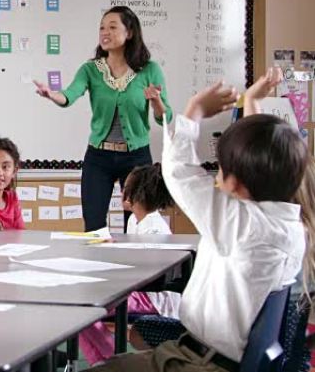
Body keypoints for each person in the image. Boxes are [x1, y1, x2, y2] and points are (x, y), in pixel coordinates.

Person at [89, 79, 310, 371]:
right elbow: (265, 154)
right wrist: (253, 105)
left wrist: (192, 112)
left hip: (197, 362)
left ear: (235, 183)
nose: (215, 178)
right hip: (217, 358)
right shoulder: (285, 225)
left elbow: (180, 172)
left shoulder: (240, 225)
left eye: (219, 169)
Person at [33, 5, 172, 232]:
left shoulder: (150, 70)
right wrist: (52, 95)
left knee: (138, 223)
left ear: (130, 32)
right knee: (94, 224)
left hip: (136, 157)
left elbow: (164, 118)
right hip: (99, 157)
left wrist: (156, 101)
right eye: (101, 28)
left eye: (112, 27)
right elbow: (69, 95)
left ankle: (137, 268)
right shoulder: (90, 69)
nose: (104, 32)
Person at [79, 163, 179, 364]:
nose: (122, 190)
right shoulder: (135, 219)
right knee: (82, 308)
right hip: (140, 292)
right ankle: (105, 360)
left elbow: (145, 273)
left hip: (153, 297)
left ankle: (108, 360)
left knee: (84, 308)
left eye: (126, 186)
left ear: (137, 193)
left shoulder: (155, 230)